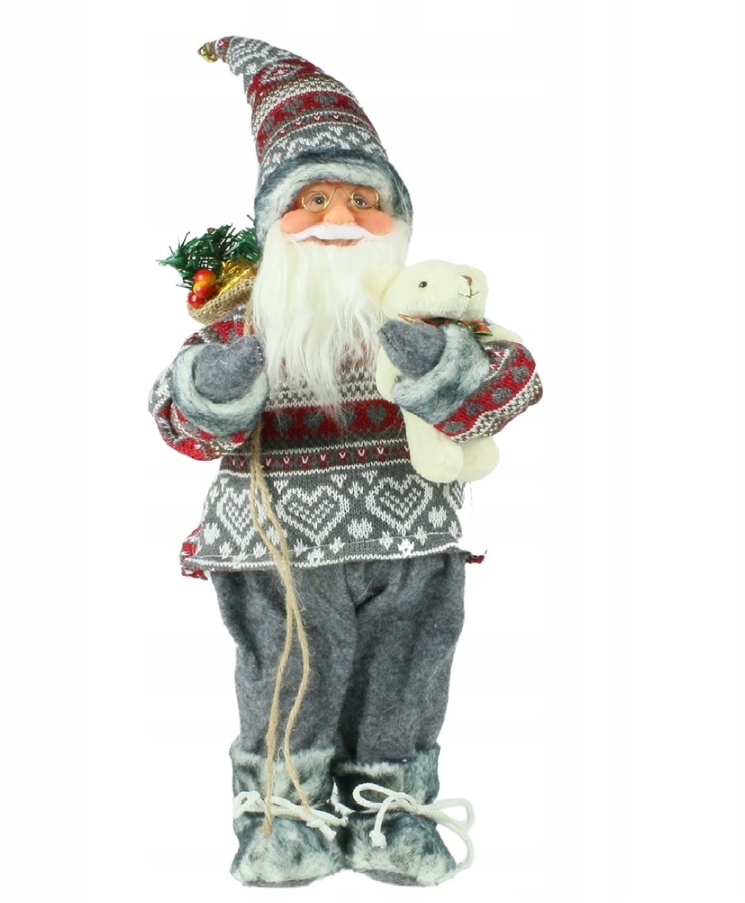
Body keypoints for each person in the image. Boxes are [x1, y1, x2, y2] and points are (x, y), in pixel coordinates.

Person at [149, 36, 541, 888]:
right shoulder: (243, 322)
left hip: (414, 539)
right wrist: (224, 377)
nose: (339, 217)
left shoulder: (426, 312)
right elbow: (180, 425)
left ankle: (391, 814)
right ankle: (283, 819)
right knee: (290, 679)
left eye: (364, 200)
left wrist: (431, 359)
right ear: (273, 222)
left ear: (396, 220)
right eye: (314, 198)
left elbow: (510, 387)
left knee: (408, 675)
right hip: (277, 545)